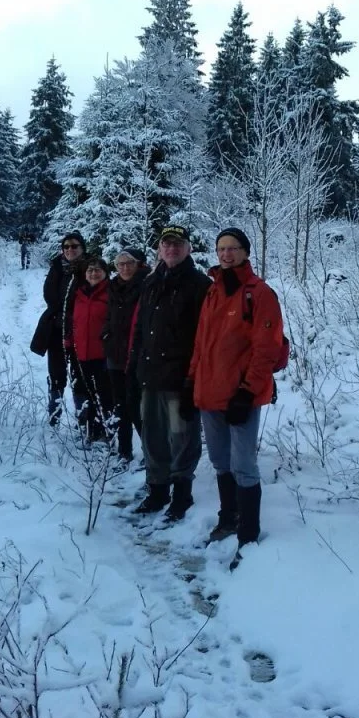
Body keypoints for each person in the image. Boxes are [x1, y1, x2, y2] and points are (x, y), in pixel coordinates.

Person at [188, 227, 284, 567]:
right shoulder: (213, 291)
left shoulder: (259, 293)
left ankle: (248, 534)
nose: (226, 254)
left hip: (240, 394)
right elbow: (202, 343)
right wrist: (191, 380)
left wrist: (247, 391)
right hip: (209, 391)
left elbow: (267, 348)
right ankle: (228, 518)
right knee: (220, 460)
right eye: (221, 248)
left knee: (243, 464)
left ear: (245, 252)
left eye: (233, 248)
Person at [128, 225, 211, 521]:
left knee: (182, 438)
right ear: (159, 249)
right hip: (150, 375)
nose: (172, 248)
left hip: (180, 378)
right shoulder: (151, 282)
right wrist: (133, 366)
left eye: (178, 244)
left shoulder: (200, 285)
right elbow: (140, 328)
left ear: (188, 248)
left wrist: (193, 379)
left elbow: (205, 337)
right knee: (152, 437)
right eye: (167, 243)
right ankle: (157, 490)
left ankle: (181, 494)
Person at [30, 232, 87, 424]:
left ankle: (83, 420)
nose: (70, 249)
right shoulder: (57, 267)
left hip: (81, 330)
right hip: (56, 329)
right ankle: (54, 416)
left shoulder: (90, 268)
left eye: (74, 246)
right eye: (66, 246)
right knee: (56, 374)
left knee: (80, 376)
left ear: (82, 248)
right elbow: (49, 295)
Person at [103, 247, 150, 462]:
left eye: (129, 263)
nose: (124, 268)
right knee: (120, 405)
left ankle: (151, 453)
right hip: (115, 353)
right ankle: (124, 451)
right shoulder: (113, 286)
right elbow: (109, 315)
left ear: (139, 264)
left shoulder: (147, 285)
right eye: (120, 264)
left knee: (137, 406)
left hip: (137, 356)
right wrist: (106, 333)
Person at [68, 256, 112, 442]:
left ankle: (107, 433)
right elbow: (73, 322)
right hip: (81, 355)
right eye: (90, 270)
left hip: (102, 355)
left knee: (104, 396)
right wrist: (69, 343)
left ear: (105, 273)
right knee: (86, 395)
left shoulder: (111, 293)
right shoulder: (79, 294)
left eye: (98, 270)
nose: (94, 273)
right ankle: (90, 431)